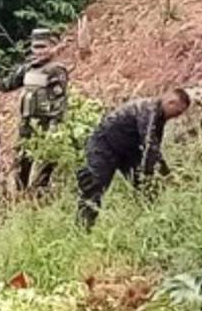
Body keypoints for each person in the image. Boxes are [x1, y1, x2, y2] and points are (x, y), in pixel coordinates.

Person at [76, 88, 192, 229]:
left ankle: (149, 228)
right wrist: (167, 175)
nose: (177, 117)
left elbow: (153, 151)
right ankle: (82, 228)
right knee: (94, 187)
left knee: (148, 190)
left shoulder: (159, 117)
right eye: (178, 112)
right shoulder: (148, 109)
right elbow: (150, 147)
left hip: (128, 152)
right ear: (171, 103)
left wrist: (160, 175)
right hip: (105, 145)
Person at [0, 28, 71, 190]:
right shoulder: (28, 68)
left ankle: (40, 193)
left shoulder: (56, 70)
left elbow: (60, 103)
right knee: (22, 160)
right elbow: (8, 84)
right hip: (27, 124)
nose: (39, 52)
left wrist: (55, 127)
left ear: (53, 47)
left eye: (43, 47)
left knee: (48, 159)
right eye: (36, 47)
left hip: (46, 123)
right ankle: (21, 194)